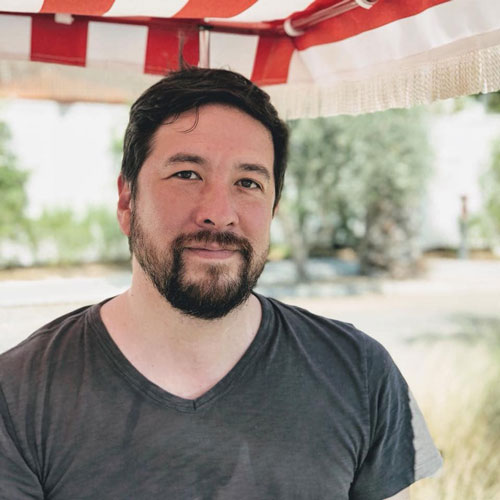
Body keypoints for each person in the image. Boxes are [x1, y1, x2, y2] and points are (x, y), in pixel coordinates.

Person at [0, 67, 441, 499]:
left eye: (248, 182)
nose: (218, 213)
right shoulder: (18, 396)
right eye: (187, 174)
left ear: (273, 209)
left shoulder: (360, 374)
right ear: (127, 201)